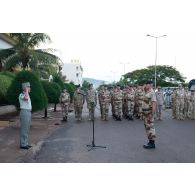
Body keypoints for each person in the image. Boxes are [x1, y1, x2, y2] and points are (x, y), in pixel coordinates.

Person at [142, 80, 157, 149]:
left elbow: (154, 103)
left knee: (150, 127)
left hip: (149, 113)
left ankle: (152, 143)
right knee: (147, 127)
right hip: (145, 113)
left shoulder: (151, 92)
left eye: (146, 84)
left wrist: (152, 113)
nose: (145, 85)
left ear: (149, 85)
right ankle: (150, 141)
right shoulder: (146, 91)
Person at [18, 82, 32, 149]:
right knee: (24, 129)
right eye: (28, 87)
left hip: (28, 112)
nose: (30, 88)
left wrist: (26, 91)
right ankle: (23, 144)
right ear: (25, 88)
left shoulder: (27, 95)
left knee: (27, 129)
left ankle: (25, 143)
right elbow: (25, 98)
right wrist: (26, 90)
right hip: (24, 112)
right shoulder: (21, 95)